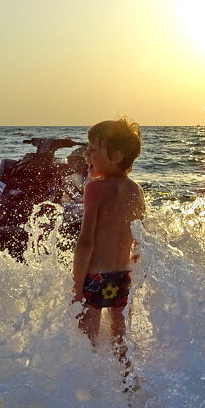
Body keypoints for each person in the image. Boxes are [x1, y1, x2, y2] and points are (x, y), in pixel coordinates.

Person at [73, 118, 145, 375]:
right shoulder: (135, 190)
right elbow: (141, 239)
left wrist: (76, 286)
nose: (86, 153)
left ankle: (89, 389)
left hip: (95, 278)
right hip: (123, 278)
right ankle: (127, 388)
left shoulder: (95, 188)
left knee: (87, 340)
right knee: (120, 342)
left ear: (115, 156)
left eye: (93, 149)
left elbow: (86, 241)